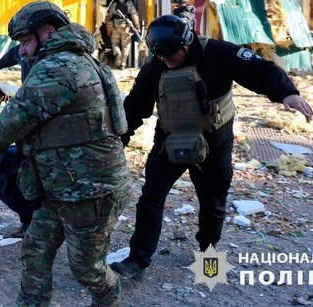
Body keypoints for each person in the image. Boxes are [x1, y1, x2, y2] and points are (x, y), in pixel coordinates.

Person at [110, 15, 313, 280]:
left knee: (212, 204)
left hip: (215, 143)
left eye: (171, 55)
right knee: (150, 198)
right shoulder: (156, 66)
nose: (167, 61)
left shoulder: (218, 52)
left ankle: (207, 252)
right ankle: (137, 258)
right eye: (161, 57)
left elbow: (260, 69)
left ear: (186, 43)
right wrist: (117, 143)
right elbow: (135, 107)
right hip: (170, 142)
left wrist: (287, 92)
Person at [0, 1, 131, 307]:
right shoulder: (75, 61)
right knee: (36, 250)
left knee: (86, 269)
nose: (23, 52)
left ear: (49, 32)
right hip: (63, 186)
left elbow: (14, 120)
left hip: (91, 192)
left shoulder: (60, 68)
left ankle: (110, 297)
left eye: (26, 42)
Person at [105, 0, 141, 69]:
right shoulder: (129, 4)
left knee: (115, 44)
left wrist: (108, 29)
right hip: (126, 28)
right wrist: (138, 28)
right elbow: (135, 16)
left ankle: (118, 54)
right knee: (125, 46)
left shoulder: (114, 5)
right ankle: (123, 64)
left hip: (116, 27)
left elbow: (108, 17)